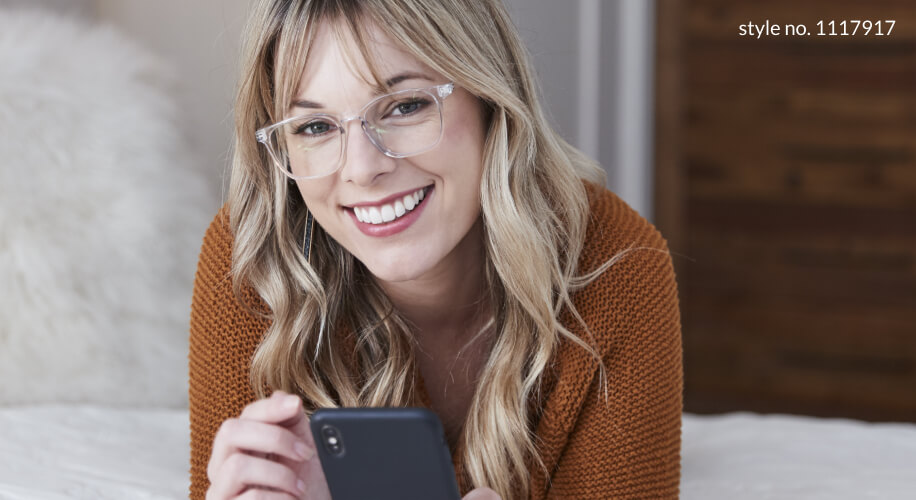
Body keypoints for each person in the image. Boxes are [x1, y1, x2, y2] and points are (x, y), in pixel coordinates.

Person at [188, 0, 683, 498]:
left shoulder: (616, 264)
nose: (362, 168)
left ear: (491, 98)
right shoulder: (253, 258)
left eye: (406, 106)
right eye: (315, 127)